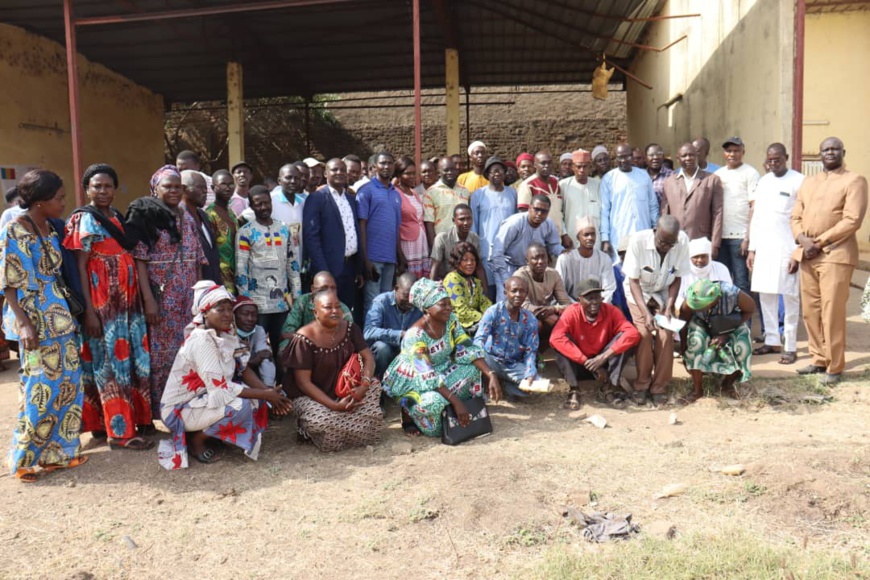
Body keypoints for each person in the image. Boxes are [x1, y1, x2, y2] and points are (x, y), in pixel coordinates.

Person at [2, 170, 87, 482]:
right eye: (59, 198)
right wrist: (24, 325)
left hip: (61, 321)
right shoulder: (14, 230)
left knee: (69, 384)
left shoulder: (51, 228)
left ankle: (58, 454)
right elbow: (9, 284)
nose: (64, 203)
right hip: (34, 323)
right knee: (40, 388)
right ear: (39, 202)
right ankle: (25, 458)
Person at [64, 164, 152, 450]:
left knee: (127, 359)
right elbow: (80, 267)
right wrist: (89, 311)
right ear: (86, 189)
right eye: (97, 186)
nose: (103, 191)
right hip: (102, 303)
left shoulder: (116, 217)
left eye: (108, 186)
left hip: (127, 302)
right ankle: (120, 433)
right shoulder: (83, 219)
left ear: (115, 189)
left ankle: (108, 424)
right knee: (108, 364)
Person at [159, 282, 291, 468]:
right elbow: (221, 388)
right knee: (241, 406)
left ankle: (211, 434)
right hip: (179, 409)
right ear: (205, 312)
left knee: (256, 400)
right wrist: (265, 394)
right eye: (220, 310)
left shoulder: (226, 334)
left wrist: (270, 393)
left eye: (229, 309)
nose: (228, 314)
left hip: (202, 399)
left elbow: (242, 369)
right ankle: (196, 440)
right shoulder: (201, 340)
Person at [127, 165, 207, 416]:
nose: (174, 191)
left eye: (177, 187)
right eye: (167, 186)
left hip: (187, 297)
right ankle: (160, 408)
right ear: (155, 189)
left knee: (186, 350)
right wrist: (148, 300)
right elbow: (140, 260)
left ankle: (183, 404)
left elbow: (197, 259)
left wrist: (199, 296)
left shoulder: (186, 217)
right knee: (161, 355)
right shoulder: (146, 215)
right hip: (162, 297)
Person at [790, 137, 868, 384]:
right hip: (808, 254)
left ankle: (834, 366)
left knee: (831, 311)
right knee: (810, 311)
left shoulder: (854, 180)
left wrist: (819, 242)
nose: (830, 152)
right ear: (820, 154)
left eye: (835, 149)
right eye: (826, 149)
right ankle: (818, 359)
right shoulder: (809, 182)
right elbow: (795, 217)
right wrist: (803, 240)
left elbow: (852, 220)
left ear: (843, 152)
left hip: (836, 254)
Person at [382, 278, 502, 437]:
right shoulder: (415, 335)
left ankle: (457, 407)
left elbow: (467, 348)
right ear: (427, 309)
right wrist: (456, 402)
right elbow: (427, 376)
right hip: (417, 383)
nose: (449, 308)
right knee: (436, 409)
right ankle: (409, 412)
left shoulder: (451, 320)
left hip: (441, 371)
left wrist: (491, 374)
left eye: (449, 303)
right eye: (442, 304)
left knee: (474, 369)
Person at [283, 288, 383, 452]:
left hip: (345, 391)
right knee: (322, 422)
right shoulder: (304, 338)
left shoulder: (350, 329)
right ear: (315, 312)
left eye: (337, 306)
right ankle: (308, 427)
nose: (335, 311)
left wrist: (364, 385)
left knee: (374, 386)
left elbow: (368, 357)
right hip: (313, 397)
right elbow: (303, 383)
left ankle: (344, 425)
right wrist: (334, 406)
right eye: (328, 307)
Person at [622, 215, 691, 406]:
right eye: (662, 242)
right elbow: (633, 282)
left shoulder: (682, 241)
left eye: (671, 244)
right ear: (655, 232)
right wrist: (645, 313)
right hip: (639, 292)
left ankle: (659, 387)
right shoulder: (638, 241)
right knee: (644, 333)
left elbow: (677, 278)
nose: (666, 247)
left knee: (665, 334)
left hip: (663, 292)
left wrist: (669, 307)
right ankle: (642, 385)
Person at [748, 143, 804, 365]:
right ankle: (772, 340)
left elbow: (804, 218)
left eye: (777, 160)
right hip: (764, 249)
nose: (773, 164)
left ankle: (790, 346)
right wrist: (752, 249)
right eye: (770, 160)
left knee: (790, 297)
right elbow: (757, 217)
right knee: (766, 296)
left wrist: (797, 252)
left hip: (787, 249)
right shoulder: (764, 181)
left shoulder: (799, 180)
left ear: (786, 157)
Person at [550, 278, 640, 410]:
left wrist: (604, 357)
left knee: (625, 339)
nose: (595, 302)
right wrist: (585, 361)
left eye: (597, 297)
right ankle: (574, 389)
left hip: (603, 363)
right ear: (579, 299)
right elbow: (555, 338)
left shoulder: (611, 310)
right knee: (561, 343)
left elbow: (633, 333)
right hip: (580, 364)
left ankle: (608, 387)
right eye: (589, 298)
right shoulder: (571, 312)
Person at [236, 186, 302, 361]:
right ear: (251, 206)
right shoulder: (245, 232)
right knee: (257, 349)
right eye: (258, 204)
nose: (264, 207)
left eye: (266, 203)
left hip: (281, 303)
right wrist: (245, 302)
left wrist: (297, 296)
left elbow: (293, 264)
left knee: (283, 348)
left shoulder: (283, 229)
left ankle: (281, 378)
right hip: (257, 305)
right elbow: (241, 269)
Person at [678, 279, 755, 403]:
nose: (697, 309)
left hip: (730, 320)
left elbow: (750, 310)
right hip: (702, 322)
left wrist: (726, 332)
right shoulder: (692, 299)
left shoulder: (732, 293)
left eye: (701, 307)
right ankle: (697, 390)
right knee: (696, 342)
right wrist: (683, 348)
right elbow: (683, 323)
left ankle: (727, 384)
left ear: (715, 300)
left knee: (743, 345)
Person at [304, 158, 363, 315]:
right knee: (327, 313)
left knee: (345, 312)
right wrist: (323, 271)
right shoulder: (317, 198)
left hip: (350, 267)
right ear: (326, 174)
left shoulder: (351, 199)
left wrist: (359, 269)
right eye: (334, 170)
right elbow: (311, 237)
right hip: (329, 267)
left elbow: (355, 231)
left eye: (343, 170)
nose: (339, 173)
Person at [473, 277, 539, 399]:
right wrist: (488, 372)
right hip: (490, 358)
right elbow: (479, 341)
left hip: (512, 364)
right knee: (475, 356)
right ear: (505, 292)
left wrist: (530, 375)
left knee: (535, 384)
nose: (518, 294)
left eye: (522, 291)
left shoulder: (530, 319)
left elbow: (531, 351)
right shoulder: (493, 312)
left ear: (526, 294)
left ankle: (505, 386)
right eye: (514, 291)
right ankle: (490, 381)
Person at [491, 195, 564, 299]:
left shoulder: (548, 224)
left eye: (544, 211)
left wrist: (566, 253)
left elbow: (554, 246)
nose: (539, 214)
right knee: (506, 301)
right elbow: (497, 253)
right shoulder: (515, 223)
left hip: (531, 269)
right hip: (507, 266)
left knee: (530, 302)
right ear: (529, 208)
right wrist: (506, 278)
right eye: (536, 209)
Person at [357, 152, 406, 310]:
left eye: (390, 163)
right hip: (373, 258)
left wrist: (400, 255)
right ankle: (371, 328)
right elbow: (361, 225)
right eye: (383, 163)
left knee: (386, 301)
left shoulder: (395, 194)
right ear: (374, 167)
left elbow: (396, 226)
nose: (386, 166)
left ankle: (383, 328)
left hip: (390, 257)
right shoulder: (366, 191)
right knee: (373, 302)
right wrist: (365, 259)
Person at [714, 137, 759, 295]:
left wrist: (747, 238)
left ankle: (743, 312)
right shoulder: (718, 174)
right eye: (729, 151)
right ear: (724, 153)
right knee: (722, 281)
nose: (732, 154)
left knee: (741, 282)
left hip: (740, 237)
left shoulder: (750, 173)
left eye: (736, 151)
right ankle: (725, 311)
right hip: (721, 237)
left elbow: (754, 207)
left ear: (743, 152)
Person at [662, 143, 724, 257]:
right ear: (678, 158)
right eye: (684, 156)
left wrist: (715, 244)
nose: (688, 158)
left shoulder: (712, 179)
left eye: (691, 155)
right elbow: (665, 213)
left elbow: (718, 213)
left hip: (701, 240)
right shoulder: (669, 182)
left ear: (697, 156)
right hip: (675, 241)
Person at [600, 144, 659, 257]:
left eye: (626, 156)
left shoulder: (643, 175)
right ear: (615, 158)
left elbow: (653, 205)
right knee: (622, 266)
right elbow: (604, 211)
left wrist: (656, 228)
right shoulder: (608, 179)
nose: (623, 160)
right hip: (619, 235)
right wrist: (605, 238)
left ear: (632, 156)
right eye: (620, 157)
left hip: (643, 232)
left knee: (644, 265)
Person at [470, 156, 517, 298]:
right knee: (488, 287)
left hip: (508, 249)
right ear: (487, 174)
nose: (497, 173)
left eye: (500, 170)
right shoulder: (478, 195)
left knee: (507, 287)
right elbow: (474, 223)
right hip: (486, 247)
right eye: (493, 171)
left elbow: (516, 220)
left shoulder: (512, 193)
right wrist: (475, 248)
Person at [513, 242, 572, 350]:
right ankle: (529, 353)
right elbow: (524, 306)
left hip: (545, 314)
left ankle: (562, 350)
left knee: (566, 319)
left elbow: (567, 304)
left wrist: (554, 309)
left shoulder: (553, 274)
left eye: (543, 257)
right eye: (535, 258)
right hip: (521, 317)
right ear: (527, 261)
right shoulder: (520, 276)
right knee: (537, 323)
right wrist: (546, 314)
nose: (540, 261)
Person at [363, 272, 422, 378]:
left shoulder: (419, 305)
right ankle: (379, 381)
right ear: (396, 288)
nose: (410, 300)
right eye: (406, 295)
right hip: (385, 352)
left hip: (407, 353)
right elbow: (368, 332)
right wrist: (399, 335)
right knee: (382, 348)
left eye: (414, 296)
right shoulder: (381, 302)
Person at [279, 271, 354, 350]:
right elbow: (287, 332)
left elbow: (351, 339)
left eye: (333, 288)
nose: (329, 292)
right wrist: (285, 352)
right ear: (313, 289)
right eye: (324, 288)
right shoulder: (303, 302)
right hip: (305, 350)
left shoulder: (342, 309)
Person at [516, 151, 570, 248]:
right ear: (535, 165)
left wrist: (564, 234)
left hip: (557, 238)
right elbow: (524, 216)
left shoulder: (556, 182)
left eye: (549, 163)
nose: (546, 166)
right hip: (538, 239)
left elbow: (558, 212)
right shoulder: (527, 185)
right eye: (543, 163)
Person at [556, 216, 616, 302]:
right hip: (571, 305)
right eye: (586, 235)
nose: (590, 238)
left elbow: (608, 289)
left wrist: (598, 304)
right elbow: (559, 289)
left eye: (593, 234)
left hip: (598, 305)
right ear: (578, 237)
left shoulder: (604, 259)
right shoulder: (565, 259)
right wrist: (577, 306)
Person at [181, 170, 222, 284]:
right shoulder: (179, 217)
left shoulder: (203, 215)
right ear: (184, 189)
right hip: (192, 285)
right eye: (200, 187)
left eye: (206, 188)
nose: (205, 191)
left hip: (212, 284)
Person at [443, 242, 492, 333]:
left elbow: (484, 302)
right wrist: (485, 318)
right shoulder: (452, 279)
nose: (470, 263)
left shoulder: (474, 281)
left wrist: (492, 314)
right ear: (457, 261)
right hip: (457, 329)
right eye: (465, 260)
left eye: (473, 260)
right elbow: (461, 311)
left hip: (476, 324)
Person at [394, 156, 430, 279]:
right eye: (407, 173)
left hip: (420, 242)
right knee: (409, 279)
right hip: (407, 244)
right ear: (399, 175)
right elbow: (396, 225)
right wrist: (400, 254)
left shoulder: (414, 193)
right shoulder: (395, 193)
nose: (412, 176)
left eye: (414, 173)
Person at [423, 156, 470, 247]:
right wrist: (434, 248)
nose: (450, 172)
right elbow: (429, 223)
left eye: (453, 169)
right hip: (442, 244)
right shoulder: (431, 193)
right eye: (446, 170)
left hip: (463, 243)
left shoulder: (465, 191)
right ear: (439, 172)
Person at [204, 169, 239, 292]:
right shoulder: (210, 214)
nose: (228, 188)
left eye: (231, 184)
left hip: (235, 272)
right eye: (223, 184)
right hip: (220, 275)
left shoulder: (231, 213)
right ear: (213, 188)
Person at [429, 204, 483, 281]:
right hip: (445, 281)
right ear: (454, 220)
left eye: (469, 219)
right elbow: (435, 266)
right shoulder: (442, 238)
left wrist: (485, 288)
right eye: (462, 219)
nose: (466, 223)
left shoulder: (474, 238)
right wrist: (432, 286)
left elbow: (479, 267)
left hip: (467, 281)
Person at [677, 237, 732, 309]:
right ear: (689, 257)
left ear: (709, 256)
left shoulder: (721, 268)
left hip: (716, 309)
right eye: (695, 257)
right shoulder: (683, 271)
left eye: (703, 256)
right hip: (690, 309)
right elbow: (678, 298)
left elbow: (729, 293)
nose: (700, 260)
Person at [560, 149, 601, 244]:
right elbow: (559, 213)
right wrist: (564, 234)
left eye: (585, 166)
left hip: (594, 240)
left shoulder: (597, 185)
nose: (581, 170)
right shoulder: (563, 185)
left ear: (589, 167)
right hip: (572, 238)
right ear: (573, 167)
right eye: (578, 167)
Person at [234, 296, 276, 387]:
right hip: (233, 380)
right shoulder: (227, 334)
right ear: (234, 316)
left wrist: (269, 387)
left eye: (254, 315)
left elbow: (264, 354)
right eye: (245, 314)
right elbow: (234, 367)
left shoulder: (258, 330)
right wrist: (254, 361)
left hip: (253, 376)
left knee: (267, 357)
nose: (250, 319)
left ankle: (269, 386)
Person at [645, 143, 673, 208]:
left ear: (663, 157)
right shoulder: (641, 176)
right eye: (651, 155)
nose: (655, 157)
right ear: (645, 158)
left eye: (659, 154)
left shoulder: (672, 176)